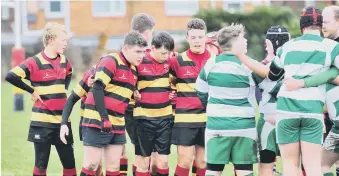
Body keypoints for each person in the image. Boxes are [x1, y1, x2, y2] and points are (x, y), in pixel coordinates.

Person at [233, 6, 339, 176]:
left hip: (286, 111)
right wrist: (331, 72)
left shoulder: (286, 47)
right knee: (312, 166)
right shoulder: (332, 46)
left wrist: (242, 57)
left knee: (290, 166)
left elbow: (273, 75)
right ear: (320, 26)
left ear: (301, 26)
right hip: (312, 112)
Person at [5, 22, 76, 176]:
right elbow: (10, 76)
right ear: (51, 40)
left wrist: (64, 88)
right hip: (42, 123)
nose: (66, 43)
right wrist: (31, 90)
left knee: (70, 166)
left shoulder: (65, 61)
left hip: (63, 122)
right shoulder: (33, 62)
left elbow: (69, 73)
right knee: (41, 166)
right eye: (63, 40)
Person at [79, 31, 148, 176]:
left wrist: (136, 96)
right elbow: (97, 88)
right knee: (92, 165)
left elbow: (121, 95)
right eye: (138, 51)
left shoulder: (134, 70)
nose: (141, 56)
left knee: (114, 166)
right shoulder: (111, 60)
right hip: (97, 121)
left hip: (117, 123)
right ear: (126, 48)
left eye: (143, 52)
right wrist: (104, 118)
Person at [196, 23, 258, 176]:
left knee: (213, 171)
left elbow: (201, 93)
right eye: (243, 38)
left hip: (217, 125)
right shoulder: (249, 66)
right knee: (245, 172)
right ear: (234, 42)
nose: (246, 41)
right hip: (244, 126)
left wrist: (216, 108)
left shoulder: (209, 65)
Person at [169, 18, 214, 176]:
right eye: (193, 37)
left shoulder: (214, 60)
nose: (197, 41)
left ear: (206, 38)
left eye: (200, 37)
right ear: (187, 38)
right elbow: (168, 84)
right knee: (184, 161)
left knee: (203, 162)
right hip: (185, 120)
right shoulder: (176, 61)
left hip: (208, 119)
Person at [133, 31, 175, 176]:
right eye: (163, 53)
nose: (166, 56)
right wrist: (134, 92)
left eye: (168, 53)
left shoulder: (171, 61)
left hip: (165, 118)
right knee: (144, 162)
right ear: (153, 48)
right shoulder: (139, 61)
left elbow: (178, 81)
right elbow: (127, 82)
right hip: (144, 118)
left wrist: (173, 92)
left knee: (163, 162)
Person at [128, 13, 156, 176]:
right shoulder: (139, 51)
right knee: (143, 154)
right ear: (147, 32)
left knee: (142, 153)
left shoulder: (128, 48)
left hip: (139, 110)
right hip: (136, 110)